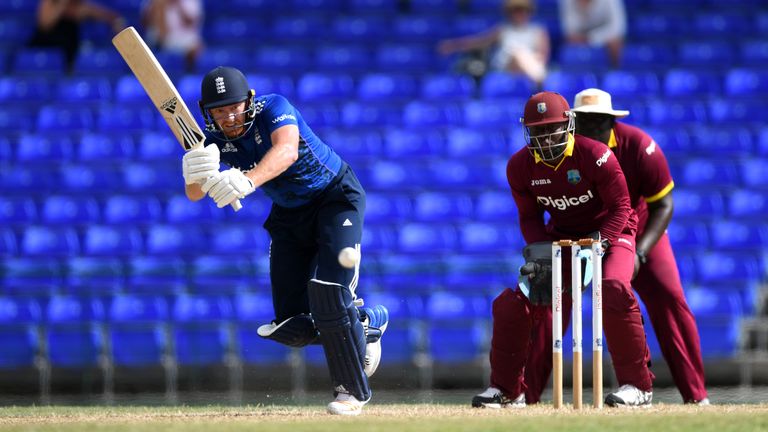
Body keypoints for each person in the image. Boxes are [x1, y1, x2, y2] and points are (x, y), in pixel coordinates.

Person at [180, 66, 389, 416]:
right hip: (290, 214)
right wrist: (194, 173)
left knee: (328, 293)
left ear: (248, 100)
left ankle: (350, 392)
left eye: (234, 106)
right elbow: (193, 194)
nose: (229, 116)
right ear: (207, 111)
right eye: (219, 110)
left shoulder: (275, 107)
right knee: (291, 324)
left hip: (334, 198)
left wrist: (247, 180)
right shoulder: (211, 139)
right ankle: (364, 323)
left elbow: (287, 151)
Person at [521, 88, 709, 405]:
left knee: (669, 300)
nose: (592, 129)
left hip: (637, 229)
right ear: (571, 123)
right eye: (585, 122)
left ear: (612, 121)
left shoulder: (639, 147)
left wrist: (641, 251)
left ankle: (696, 396)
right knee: (549, 304)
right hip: (577, 230)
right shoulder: (564, 150)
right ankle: (525, 396)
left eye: (600, 122)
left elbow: (663, 205)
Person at [471, 91, 654, 409]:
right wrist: (540, 254)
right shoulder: (519, 166)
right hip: (562, 239)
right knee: (513, 304)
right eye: (538, 130)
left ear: (568, 125)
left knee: (613, 287)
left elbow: (622, 206)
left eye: (552, 128)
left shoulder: (595, 154)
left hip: (614, 233)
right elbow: (529, 217)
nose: (545, 137)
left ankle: (638, 387)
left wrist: (601, 241)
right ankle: (507, 390)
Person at [437, 0, 549, 87]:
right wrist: (453, 46)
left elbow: (542, 56)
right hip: (506, 67)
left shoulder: (538, 31)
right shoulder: (503, 30)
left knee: (522, 55)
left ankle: (537, 79)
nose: (519, 13)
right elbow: (479, 42)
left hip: (529, 67)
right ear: (510, 12)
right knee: (517, 53)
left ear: (529, 12)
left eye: (523, 10)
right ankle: (540, 81)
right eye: (516, 10)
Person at [28, 0, 126, 72]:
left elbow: (108, 16)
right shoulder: (49, 3)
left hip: (69, 54)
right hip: (45, 47)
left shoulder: (80, 7)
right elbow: (45, 24)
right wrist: (62, 4)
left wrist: (116, 21)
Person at [559, 0, 626, 68]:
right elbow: (570, 30)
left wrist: (592, 38)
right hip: (581, 38)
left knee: (615, 43)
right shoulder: (567, 1)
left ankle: (615, 71)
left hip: (603, 38)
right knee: (570, 44)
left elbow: (618, 28)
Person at [141, 0, 204, 72]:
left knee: (195, 48)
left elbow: (190, 22)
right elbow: (144, 22)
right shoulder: (154, 2)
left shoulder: (190, 2)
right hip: (159, 40)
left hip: (184, 38)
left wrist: (178, 4)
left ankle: (189, 73)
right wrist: (159, 6)